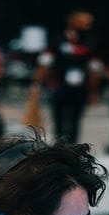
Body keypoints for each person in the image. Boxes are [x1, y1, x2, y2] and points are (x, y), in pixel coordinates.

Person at [33, 8, 103, 143]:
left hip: (80, 87)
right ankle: (59, 146)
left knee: (75, 120)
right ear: (72, 20)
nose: (86, 25)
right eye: (83, 21)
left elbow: (94, 67)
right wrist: (36, 84)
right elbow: (45, 62)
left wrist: (94, 91)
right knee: (59, 120)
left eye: (89, 23)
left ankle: (73, 148)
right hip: (59, 85)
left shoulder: (90, 41)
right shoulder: (58, 38)